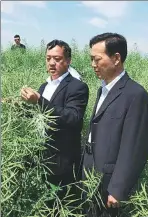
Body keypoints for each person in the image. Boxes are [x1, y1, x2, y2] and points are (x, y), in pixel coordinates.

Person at [82, 33, 148, 217]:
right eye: (91, 59)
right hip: (90, 176)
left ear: (116, 58)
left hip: (109, 183)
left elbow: (135, 147)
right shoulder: (103, 89)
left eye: (97, 59)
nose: (93, 65)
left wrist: (118, 188)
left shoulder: (136, 95)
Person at [20, 39, 89, 214]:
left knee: (60, 207)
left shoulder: (77, 87)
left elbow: (73, 118)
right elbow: (39, 115)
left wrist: (39, 101)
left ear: (68, 60)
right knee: (44, 205)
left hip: (62, 162)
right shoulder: (45, 86)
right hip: (41, 158)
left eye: (57, 59)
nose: (51, 63)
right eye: (48, 58)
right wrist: (16, 106)